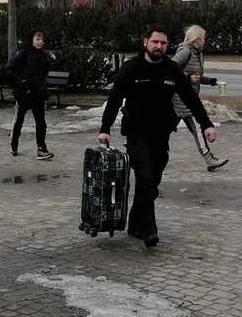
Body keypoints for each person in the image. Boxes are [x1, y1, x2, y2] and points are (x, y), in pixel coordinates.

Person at [98, 25, 218, 247]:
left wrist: (206, 125)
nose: (159, 46)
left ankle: (135, 222)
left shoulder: (171, 69)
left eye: (163, 43)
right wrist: (105, 128)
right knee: (146, 178)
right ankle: (149, 230)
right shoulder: (131, 68)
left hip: (161, 134)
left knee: (152, 181)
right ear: (145, 42)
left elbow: (191, 99)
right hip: (136, 133)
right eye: (155, 42)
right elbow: (114, 100)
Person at [171, 25, 229, 172]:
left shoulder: (197, 53)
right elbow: (170, 70)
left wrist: (212, 81)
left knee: (164, 131)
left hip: (188, 99)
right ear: (196, 38)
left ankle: (149, 155)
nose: (204, 41)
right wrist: (188, 78)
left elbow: (196, 77)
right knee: (198, 129)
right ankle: (209, 159)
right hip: (181, 101)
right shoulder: (185, 51)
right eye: (203, 38)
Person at [2, 31, 54, 160]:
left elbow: (43, 74)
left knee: (41, 122)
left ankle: (41, 149)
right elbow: (8, 69)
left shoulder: (43, 56)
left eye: (42, 39)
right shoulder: (24, 53)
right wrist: (20, 82)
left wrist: (43, 87)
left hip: (38, 93)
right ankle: (14, 146)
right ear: (31, 40)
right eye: (38, 39)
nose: (41, 42)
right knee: (19, 120)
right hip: (24, 93)